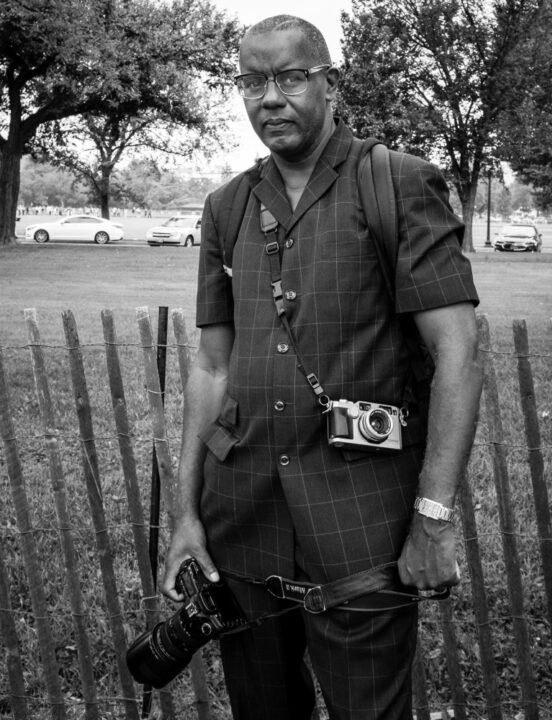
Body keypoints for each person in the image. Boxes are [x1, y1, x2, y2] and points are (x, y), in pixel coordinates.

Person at [162, 14, 483, 720]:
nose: (269, 97)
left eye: (290, 77)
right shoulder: (227, 207)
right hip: (241, 527)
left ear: (329, 84)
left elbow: (459, 351)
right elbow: (211, 367)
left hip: (362, 526)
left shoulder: (397, 184)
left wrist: (432, 518)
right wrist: (185, 515)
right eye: (251, 81)